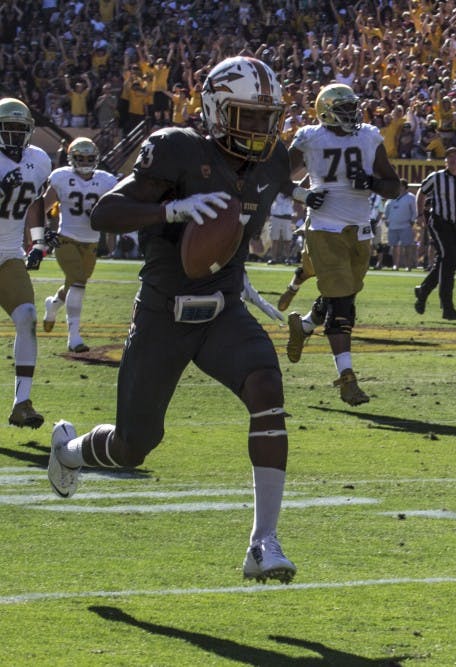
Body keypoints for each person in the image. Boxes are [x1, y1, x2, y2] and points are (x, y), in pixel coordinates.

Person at [45, 56, 297, 583]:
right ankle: (70, 451)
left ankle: (263, 542)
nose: (260, 130)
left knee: (266, 387)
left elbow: (235, 228)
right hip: (164, 314)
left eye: (267, 118)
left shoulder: (274, 162)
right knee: (133, 445)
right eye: (248, 117)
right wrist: (172, 211)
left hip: (223, 311)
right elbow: (105, 214)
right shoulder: (177, 147)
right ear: (215, 110)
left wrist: (239, 272)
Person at [284, 83, 402, 406]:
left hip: (360, 231)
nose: (352, 113)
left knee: (343, 295)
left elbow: (395, 187)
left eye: (353, 107)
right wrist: (303, 194)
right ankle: (347, 378)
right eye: (344, 108)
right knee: (343, 308)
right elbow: (276, 175)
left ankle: (305, 325)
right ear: (326, 111)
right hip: (323, 228)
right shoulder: (310, 137)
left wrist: (374, 183)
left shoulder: (368, 136)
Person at [0, 97, 52, 429]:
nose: (16, 136)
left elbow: (35, 201)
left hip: (7, 257)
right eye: (9, 129)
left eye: (21, 130)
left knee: (28, 318)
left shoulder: (39, 160)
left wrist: (40, 241)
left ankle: (22, 402)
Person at [40, 137, 119, 353]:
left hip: (91, 242)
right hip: (66, 238)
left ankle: (54, 304)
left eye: (89, 158)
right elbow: (42, 206)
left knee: (75, 284)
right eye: (80, 158)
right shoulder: (61, 177)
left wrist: (110, 238)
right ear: (71, 158)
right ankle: (73, 337)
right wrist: (45, 231)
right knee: (78, 284)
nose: (84, 162)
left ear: (96, 159)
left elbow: (112, 212)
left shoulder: (107, 181)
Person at [413, 147, 456, 320]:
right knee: (449, 260)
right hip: (440, 223)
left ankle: (423, 291)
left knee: (445, 262)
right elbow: (421, 192)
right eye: (449, 157)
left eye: (455, 156)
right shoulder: (436, 177)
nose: (452, 160)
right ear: (445, 161)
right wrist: (420, 214)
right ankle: (447, 307)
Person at [384, 179, 418, 270]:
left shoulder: (411, 197)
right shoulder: (391, 196)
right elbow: (387, 209)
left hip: (406, 225)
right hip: (393, 225)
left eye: (401, 185)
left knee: (407, 246)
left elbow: (415, 211)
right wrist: (386, 219)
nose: (399, 187)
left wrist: (412, 220)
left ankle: (408, 265)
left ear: (405, 187)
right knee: (394, 246)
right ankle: (395, 265)